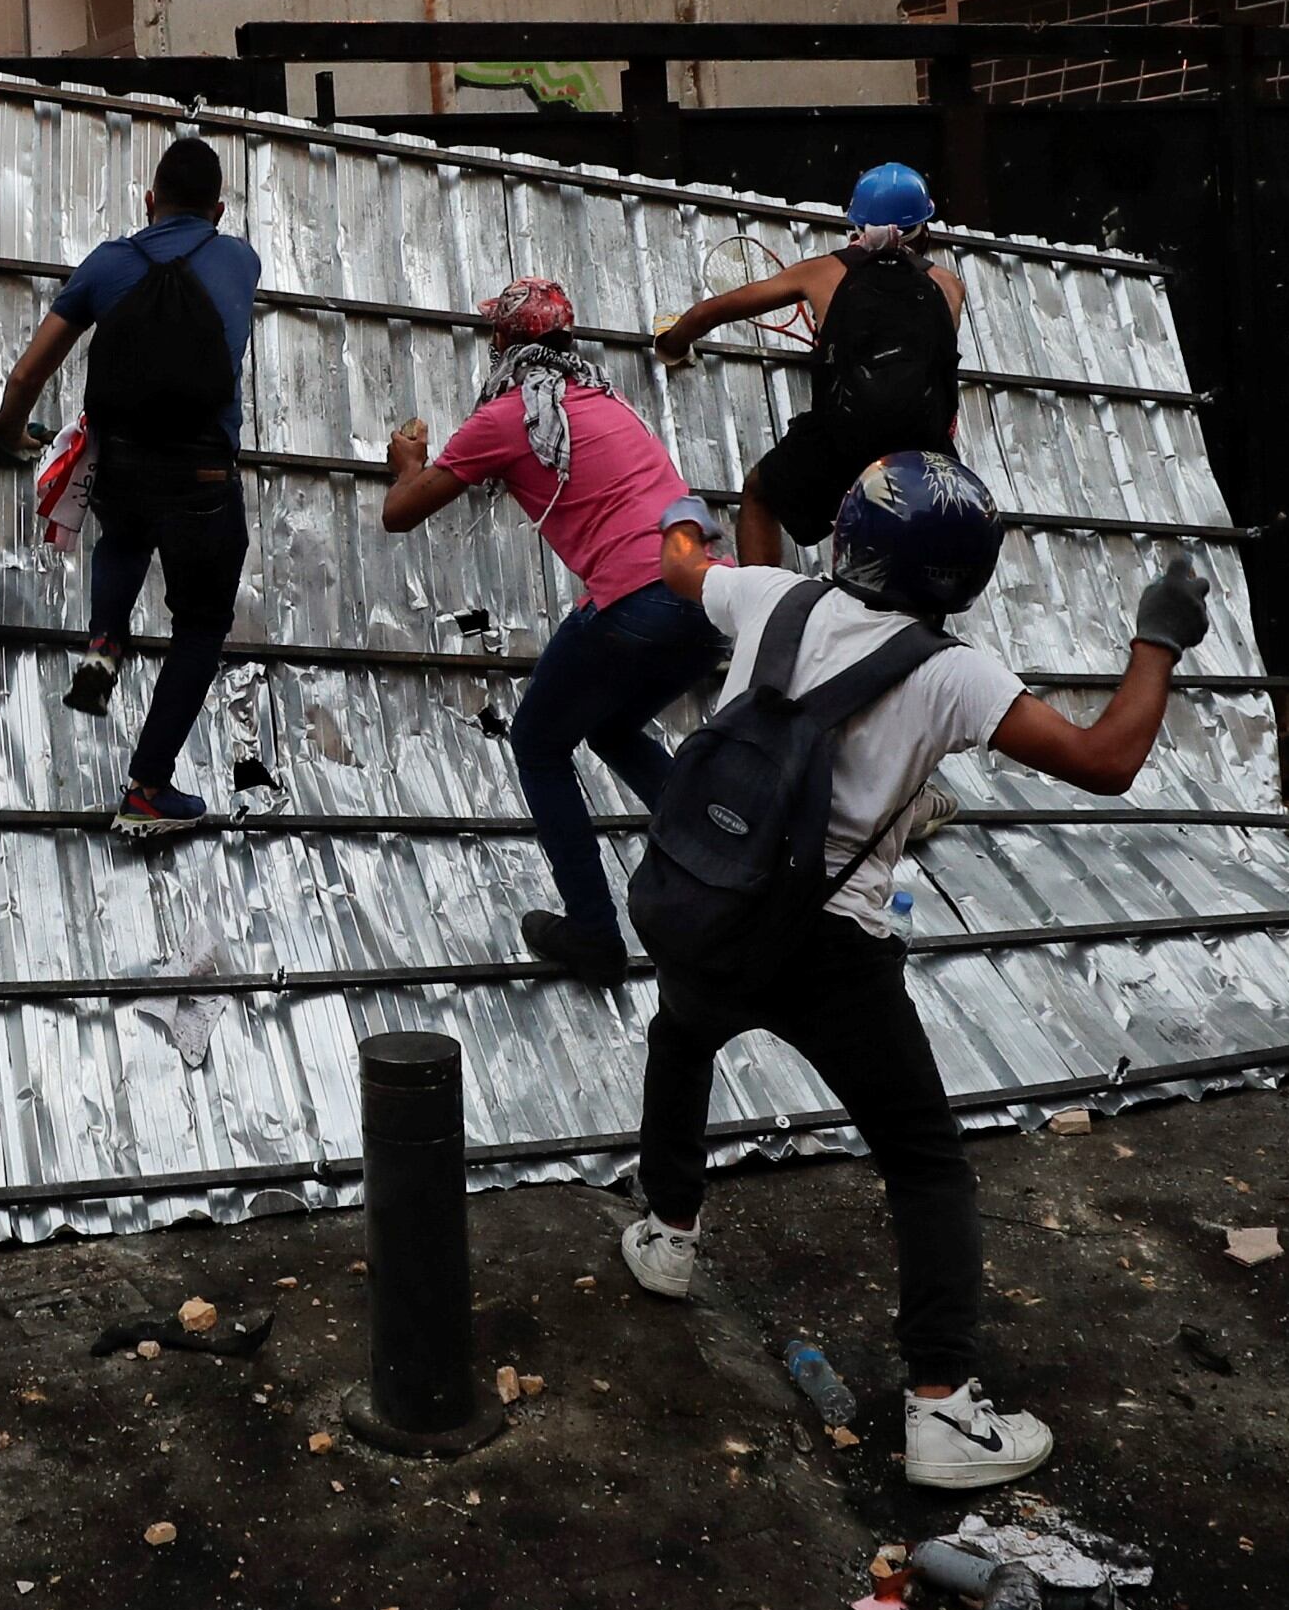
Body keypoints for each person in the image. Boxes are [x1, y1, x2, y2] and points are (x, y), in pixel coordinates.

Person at [620, 462, 1214, 1490]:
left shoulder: (771, 595)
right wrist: (1157, 636)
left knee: (683, 1036)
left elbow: (682, 568)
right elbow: (1108, 758)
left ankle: (668, 1231)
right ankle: (942, 1407)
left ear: (849, 537)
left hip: (712, 897)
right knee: (924, 1161)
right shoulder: (954, 674)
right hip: (828, 949)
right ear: (960, 578)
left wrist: (681, 524)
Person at [380, 278, 717, 985]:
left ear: (504, 343)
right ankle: (724, 868)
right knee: (615, 729)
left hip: (636, 597)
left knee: (537, 743)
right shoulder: (609, 400)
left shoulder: (509, 417)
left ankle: (594, 932)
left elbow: (401, 513)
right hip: (710, 598)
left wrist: (408, 464)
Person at [0, 134, 263, 841]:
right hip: (202, 474)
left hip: (123, 465)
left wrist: (12, 435)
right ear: (219, 210)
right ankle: (147, 787)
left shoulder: (109, 263)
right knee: (199, 626)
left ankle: (105, 639)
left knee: (125, 531)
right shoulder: (240, 259)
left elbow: (27, 375)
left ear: (148, 202)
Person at [652, 162, 968, 566]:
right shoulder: (950, 287)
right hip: (921, 450)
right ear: (924, 226)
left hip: (843, 443)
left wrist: (673, 343)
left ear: (857, 224)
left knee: (759, 492)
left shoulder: (825, 272)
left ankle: (759, 602)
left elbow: (710, 312)